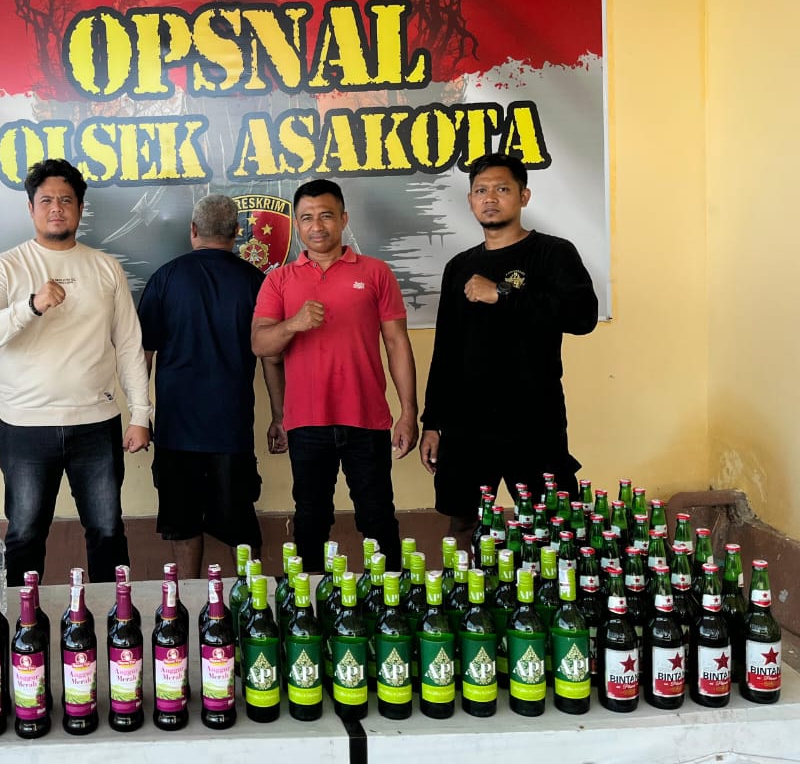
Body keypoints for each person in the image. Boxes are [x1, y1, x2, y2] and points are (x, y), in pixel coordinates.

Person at [0, 159, 151, 584]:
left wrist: (141, 415)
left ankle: (114, 617)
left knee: (107, 531)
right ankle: (23, 619)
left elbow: (128, 344)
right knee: (26, 534)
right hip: (26, 426)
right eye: (46, 200)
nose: (56, 208)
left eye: (66, 200)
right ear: (30, 208)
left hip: (96, 424)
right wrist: (30, 306)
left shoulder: (105, 267)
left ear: (80, 208)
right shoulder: (6, 266)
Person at [419, 153, 598, 547]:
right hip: (467, 422)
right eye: (480, 190)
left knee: (550, 528)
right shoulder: (459, 267)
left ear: (523, 196)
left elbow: (582, 316)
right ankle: (464, 587)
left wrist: (501, 294)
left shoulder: (552, 253)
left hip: (533, 418)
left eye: (502, 189)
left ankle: (547, 588)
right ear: (470, 200)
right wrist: (432, 422)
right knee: (461, 523)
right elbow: (445, 350)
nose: (490, 198)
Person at [251, 179, 418, 573]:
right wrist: (294, 323)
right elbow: (260, 344)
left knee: (377, 517)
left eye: (326, 216)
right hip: (306, 422)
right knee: (310, 520)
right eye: (307, 218)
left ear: (343, 219)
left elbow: (397, 343)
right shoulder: (279, 280)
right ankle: (309, 602)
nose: (317, 226)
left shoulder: (376, 272)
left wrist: (408, 411)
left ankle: (387, 599)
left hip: (367, 419)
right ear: (297, 223)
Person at [137, 194, 286, 577]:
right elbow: (271, 357)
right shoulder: (256, 282)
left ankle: (186, 602)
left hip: (176, 430)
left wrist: (140, 415)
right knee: (242, 528)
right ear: (237, 232)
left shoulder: (165, 278)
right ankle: (250, 602)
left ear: (193, 230)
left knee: (183, 526)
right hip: (231, 430)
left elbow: (143, 355)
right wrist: (279, 416)